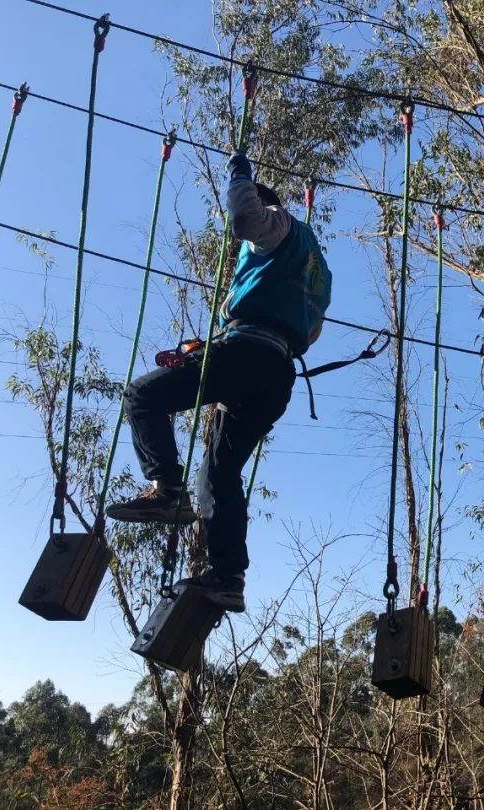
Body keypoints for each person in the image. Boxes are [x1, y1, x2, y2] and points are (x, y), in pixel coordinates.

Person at [106, 151, 332, 613]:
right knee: (219, 472)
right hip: (276, 374)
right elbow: (309, 332)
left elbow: (247, 218)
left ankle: (167, 490)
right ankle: (229, 577)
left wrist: (239, 173)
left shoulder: (279, 227)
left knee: (142, 395)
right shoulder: (319, 272)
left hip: (247, 354)